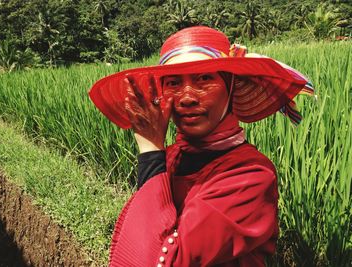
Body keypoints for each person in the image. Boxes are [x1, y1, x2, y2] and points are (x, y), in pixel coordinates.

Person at [89, 26, 314, 267]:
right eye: (174, 82)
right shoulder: (173, 157)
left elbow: (164, 260)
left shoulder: (251, 176)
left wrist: (151, 150)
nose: (187, 97)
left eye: (204, 79)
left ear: (230, 88)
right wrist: (155, 156)